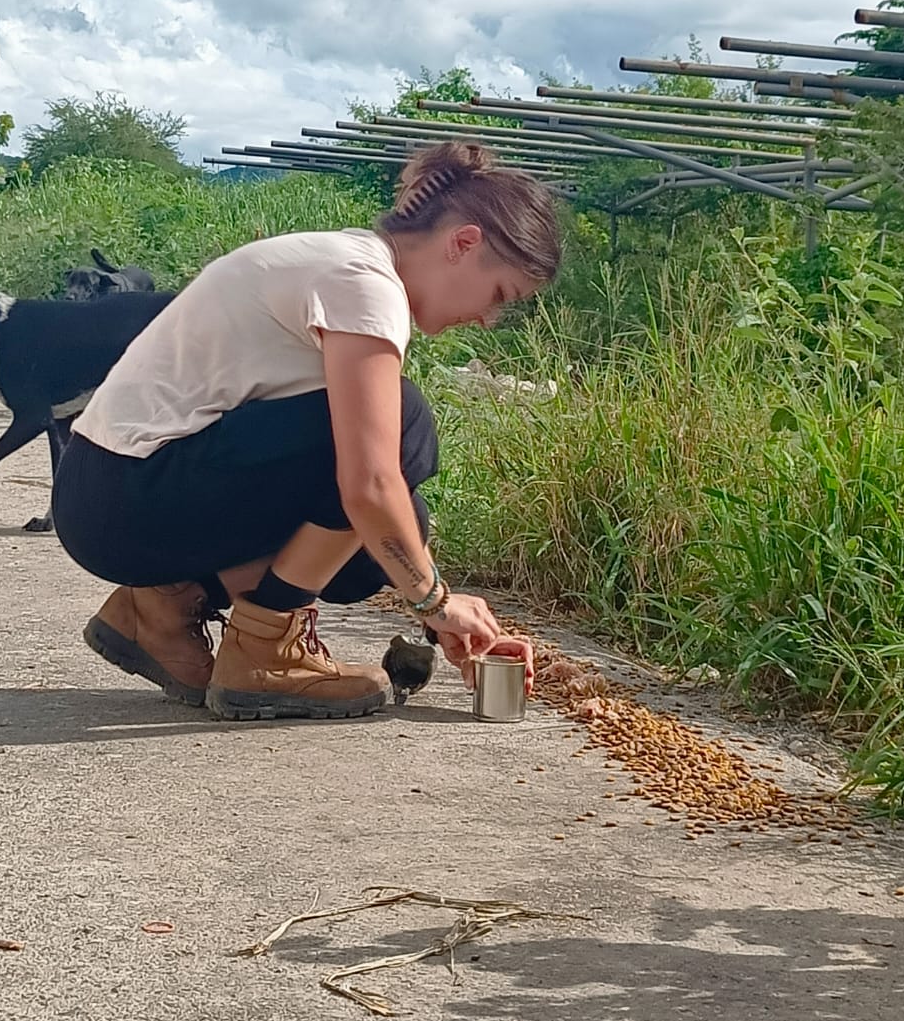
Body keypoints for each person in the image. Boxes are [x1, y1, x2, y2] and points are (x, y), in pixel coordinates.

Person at [51, 140, 561, 721]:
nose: (489, 319)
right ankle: (263, 652)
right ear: (463, 244)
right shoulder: (363, 283)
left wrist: (431, 604)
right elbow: (368, 483)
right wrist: (438, 603)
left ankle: (163, 604)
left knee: (394, 535)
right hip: (124, 496)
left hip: (112, 493)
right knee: (405, 425)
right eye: (500, 295)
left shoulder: (345, 263)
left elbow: (368, 502)